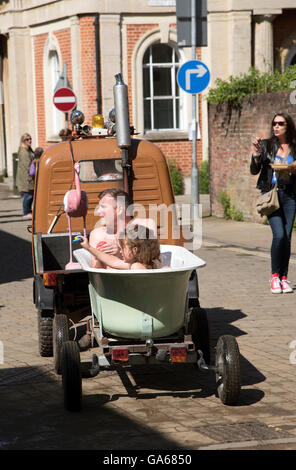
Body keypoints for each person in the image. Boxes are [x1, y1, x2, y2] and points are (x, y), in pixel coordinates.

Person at [250, 112, 296, 294]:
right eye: (274, 123)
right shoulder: (267, 145)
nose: (276, 126)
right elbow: (255, 170)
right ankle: (274, 276)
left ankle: (284, 278)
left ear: (288, 126)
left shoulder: (294, 147)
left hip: (291, 196)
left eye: (280, 123)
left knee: (287, 236)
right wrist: (255, 154)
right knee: (279, 235)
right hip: (272, 196)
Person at [89, 188, 157, 268]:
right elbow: (96, 270)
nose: (98, 212)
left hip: (140, 278)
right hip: (110, 279)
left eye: (103, 207)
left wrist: (121, 251)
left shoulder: (145, 225)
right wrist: (98, 257)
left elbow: (153, 262)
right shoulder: (97, 234)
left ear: (120, 209)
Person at [80, 224, 161, 270]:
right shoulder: (151, 263)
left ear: (134, 250)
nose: (121, 251)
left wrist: (89, 248)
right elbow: (113, 261)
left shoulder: (136, 267)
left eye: (122, 248)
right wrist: (89, 248)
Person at [16, 133, 35, 219]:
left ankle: (28, 211)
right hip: (26, 177)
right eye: (27, 139)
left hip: (30, 175)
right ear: (23, 141)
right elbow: (26, 167)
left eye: (30, 139)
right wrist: (29, 178)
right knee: (28, 195)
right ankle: (26, 212)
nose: (29, 141)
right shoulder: (24, 151)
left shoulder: (29, 149)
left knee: (30, 194)